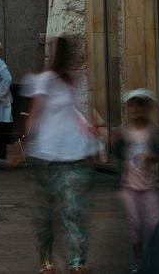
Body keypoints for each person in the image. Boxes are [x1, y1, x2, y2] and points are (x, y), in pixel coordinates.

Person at [25, 37, 97, 274]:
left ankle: (76, 262)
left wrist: (87, 129)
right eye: (75, 55)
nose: (79, 59)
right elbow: (35, 112)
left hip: (73, 156)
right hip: (47, 156)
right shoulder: (46, 80)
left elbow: (72, 113)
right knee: (46, 214)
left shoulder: (70, 82)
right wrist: (24, 143)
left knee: (74, 210)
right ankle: (46, 260)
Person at [116, 89, 159, 272]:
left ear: (146, 109)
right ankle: (139, 262)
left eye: (140, 107)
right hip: (129, 187)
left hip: (149, 186)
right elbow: (117, 153)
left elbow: (158, 155)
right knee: (134, 225)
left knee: (155, 223)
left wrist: (150, 157)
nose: (136, 110)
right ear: (128, 108)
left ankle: (155, 260)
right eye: (133, 106)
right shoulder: (124, 130)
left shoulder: (152, 130)